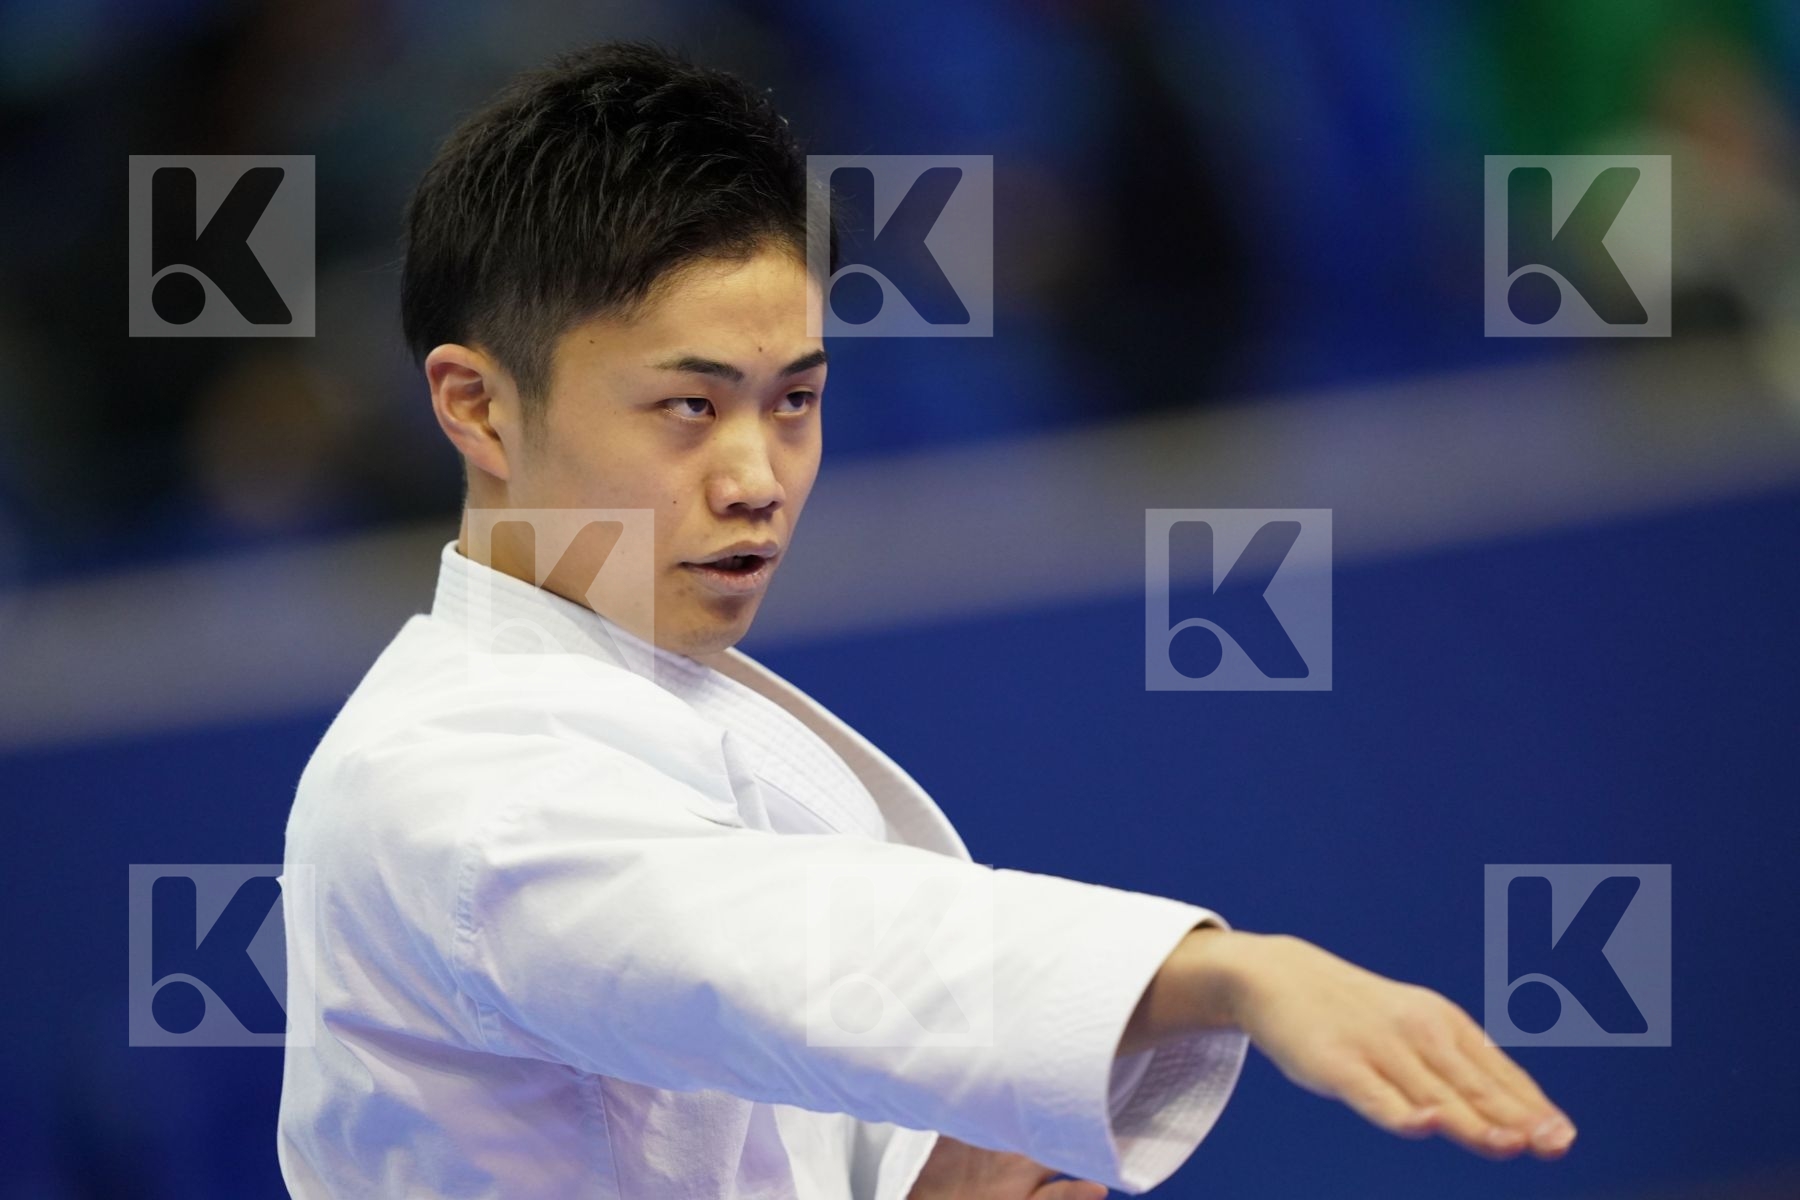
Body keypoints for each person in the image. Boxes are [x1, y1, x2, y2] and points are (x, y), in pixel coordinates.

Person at [276, 40, 1577, 1198]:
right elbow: (784, 956)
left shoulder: (647, 708)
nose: (757, 474)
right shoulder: (440, 791)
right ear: (478, 407)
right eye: (689, 405)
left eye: (794, 399)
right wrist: (1219, 974)